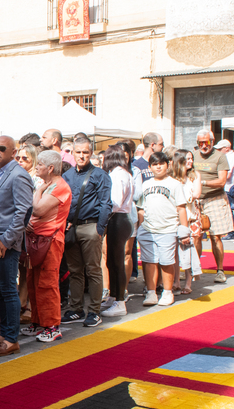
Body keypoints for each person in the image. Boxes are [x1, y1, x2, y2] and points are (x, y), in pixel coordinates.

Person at [0, 135, 33, 356]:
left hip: (6, 242)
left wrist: (6, 241)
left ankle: (11, 339)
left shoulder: (18, 174)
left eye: (2, 148)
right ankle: (4, 334)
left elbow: (23, 212)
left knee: (8, 291)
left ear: (13, 152)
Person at [60, 134, 112, 327]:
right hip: (72, 227)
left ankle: (95, 311)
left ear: (91, 154)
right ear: (72, 153)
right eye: (78, 152)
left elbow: (106, 203)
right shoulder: (67, 176)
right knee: (75, 270)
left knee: (93, 270)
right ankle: (76, 309)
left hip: (91, 226)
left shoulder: (100, 175)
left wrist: (99, 229)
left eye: (85, 153)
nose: (82, 156)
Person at [23, 151, 71, 343]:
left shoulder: (59, 186)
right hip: (37, 239)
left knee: (47, 284)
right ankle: (38, 322)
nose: (37, 166)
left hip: (50, 240)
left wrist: (38, 191)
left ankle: (51, 326)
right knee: (33, 282)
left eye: (40, 164)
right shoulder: (49, 185)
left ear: (50, 168)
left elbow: (39, 209)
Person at [136, 151, 190, 307]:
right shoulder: (145, 184)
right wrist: (140, 227)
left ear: (168, 164)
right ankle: (151, 292)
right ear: (150, 167)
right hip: (147, 228)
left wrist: (184, 230)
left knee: (167, 261)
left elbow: (181, 208)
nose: (158, 167)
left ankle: (167, 291)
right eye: (154, 164)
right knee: (148, 261)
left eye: (161, 164)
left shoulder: (175, 184)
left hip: (167, 228)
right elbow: (141, 208)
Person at [191, 131, 232, 283]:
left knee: (216, 236)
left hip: (214, 199)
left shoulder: (220, 156)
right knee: (195, 237)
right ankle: (195, 269)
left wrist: (201, 183)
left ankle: (220, 270)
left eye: (206, 142)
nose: (203, 146)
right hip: (196, 200)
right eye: (200, 142)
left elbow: (222, 181)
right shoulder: (193, 155)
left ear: (212, 141)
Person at [102, 147, 134, 318]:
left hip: (118, 218)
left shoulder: (118, 174)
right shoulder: (123, 173)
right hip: (120, 219)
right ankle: (114, 296)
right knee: (112, 261)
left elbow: (116, 201)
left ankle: (120, 301)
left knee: (117, 261)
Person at [170, 150, 202, 294]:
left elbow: (196, 194)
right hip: (175, 218)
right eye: (187, 159)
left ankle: (188, 282)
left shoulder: (195, 175)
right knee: (175, 252)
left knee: (190, 250)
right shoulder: (172, 178)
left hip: (191, 217)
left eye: (191, 158)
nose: (190, 161)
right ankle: (176, 281)